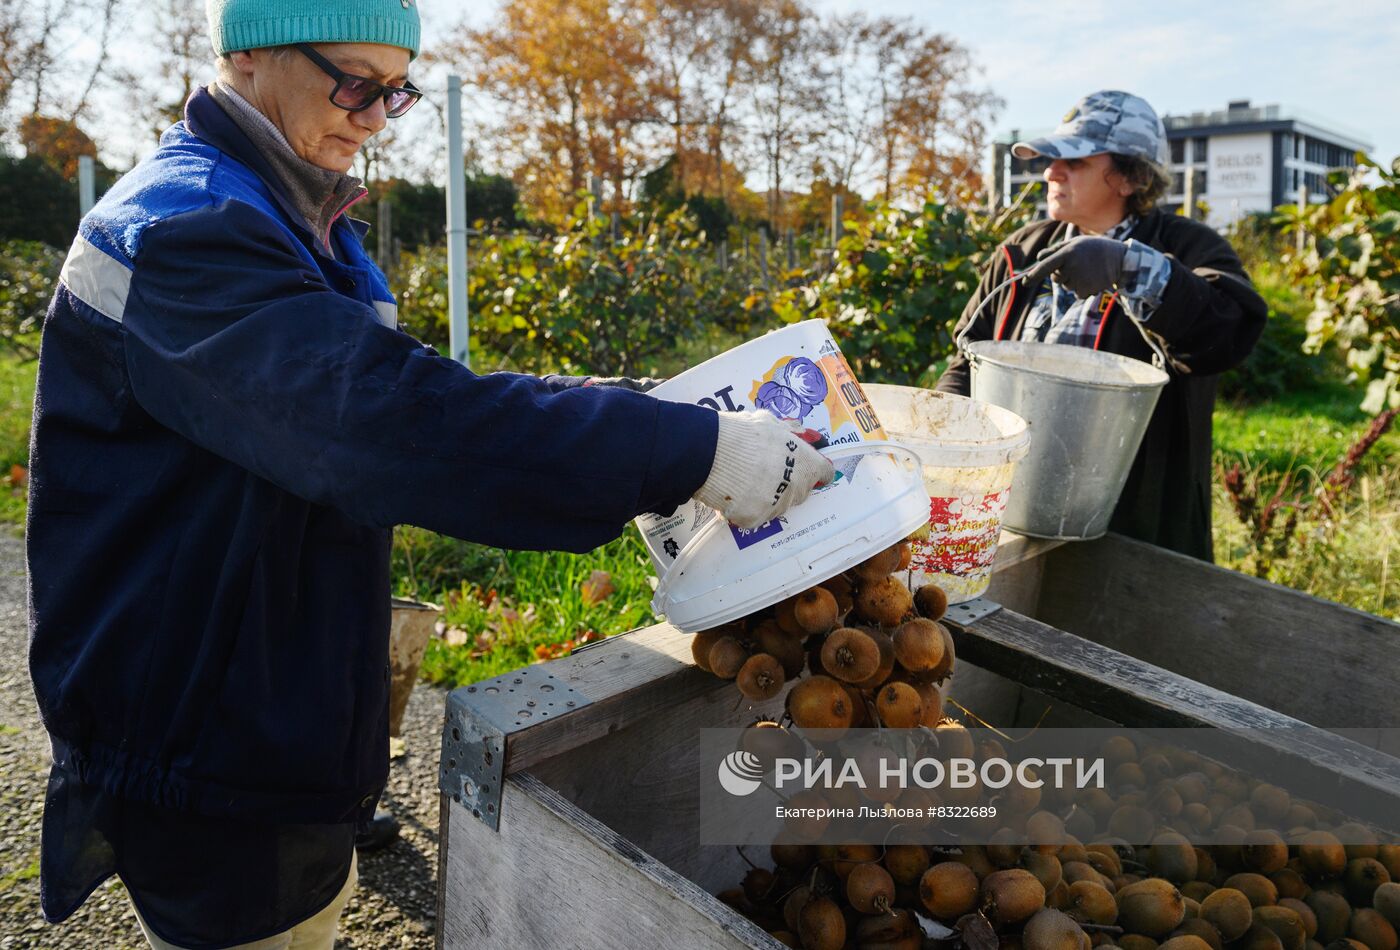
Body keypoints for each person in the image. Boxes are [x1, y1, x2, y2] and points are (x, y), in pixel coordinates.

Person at [26, 1, 833, 946]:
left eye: (395, 91)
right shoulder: (190, 229)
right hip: (208, 729)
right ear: (247, 56)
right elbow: (391, 425)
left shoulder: (286, 210)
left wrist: (651, 408)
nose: (374, 116)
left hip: (263, 689)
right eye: (355, 82)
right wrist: (681, 451)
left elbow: (421, 395)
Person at [937, 90, 1267, 561]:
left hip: (1130, 532)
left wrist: (1126, 267)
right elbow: (968, 361)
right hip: (1006, 518)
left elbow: (1227, 333)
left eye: (1076, 160)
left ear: (1131, 177)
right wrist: (944, 444)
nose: (1052, 171)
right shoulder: (1022, 251)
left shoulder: (1190, 248)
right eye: (1052, 158)